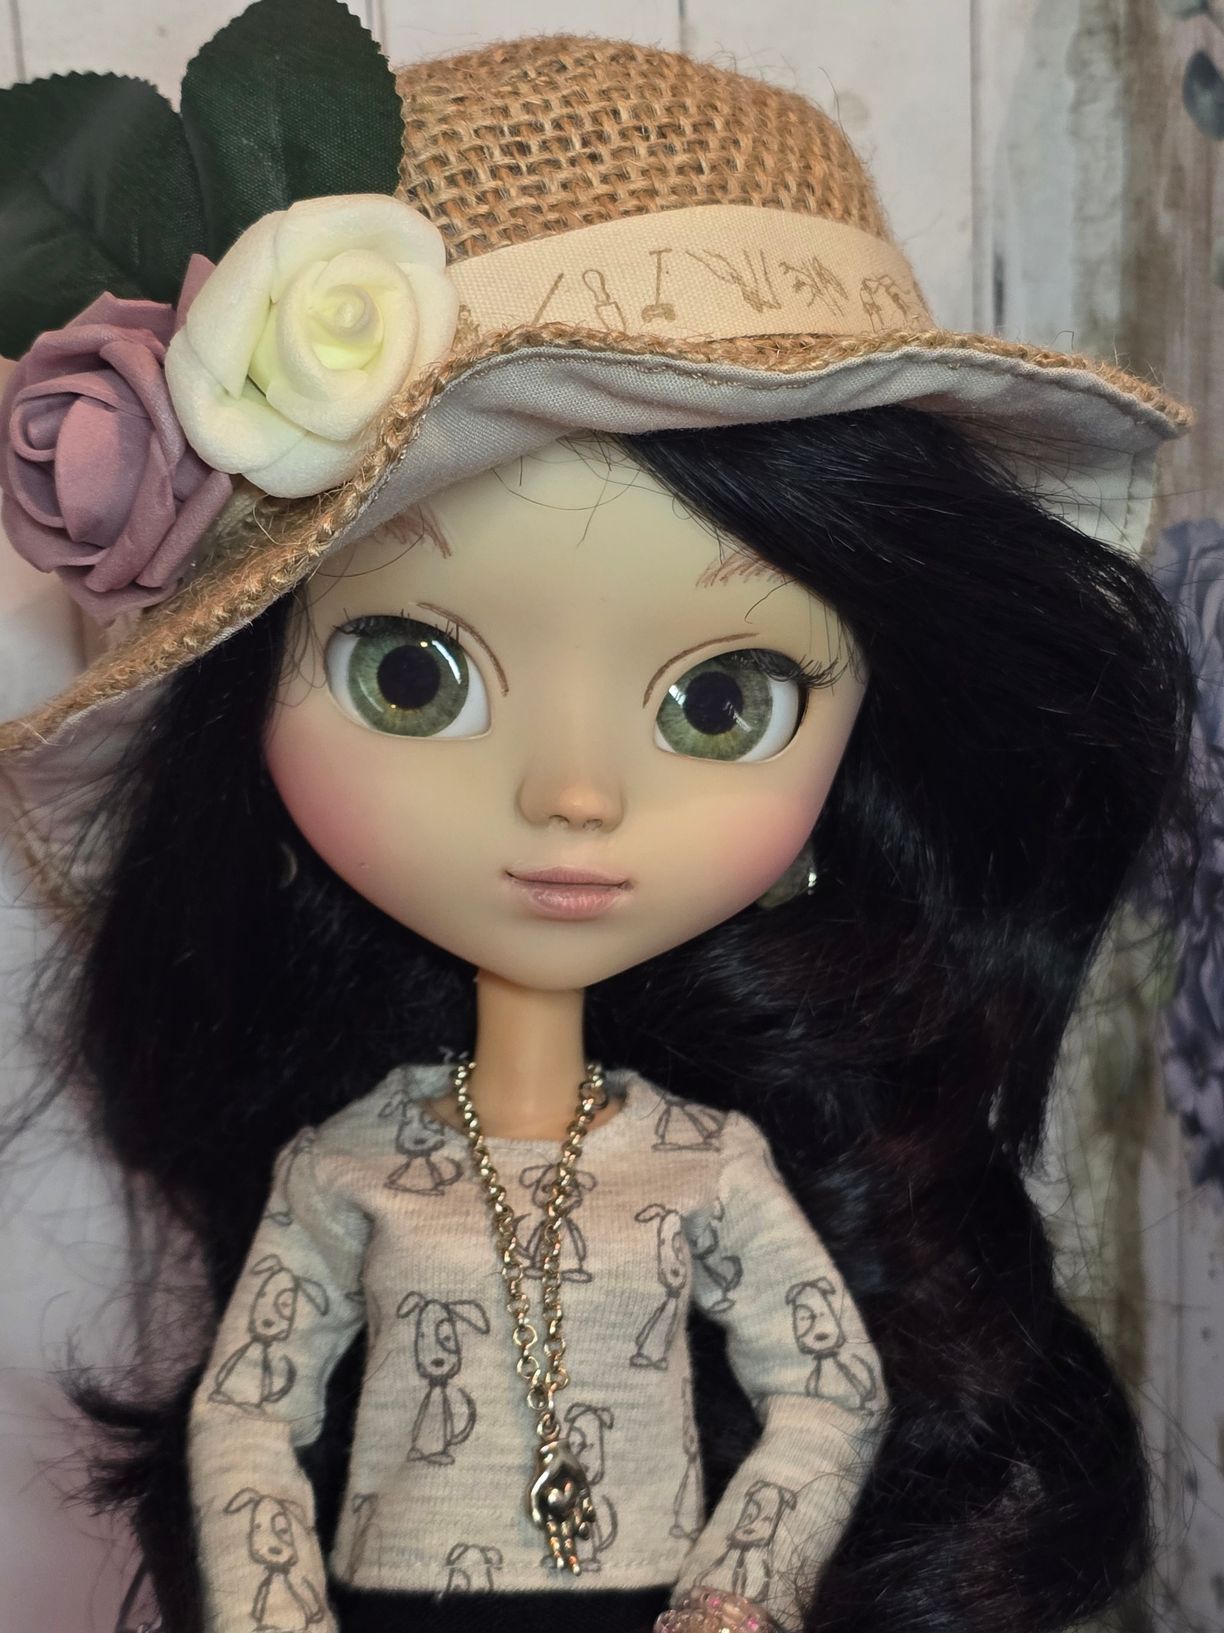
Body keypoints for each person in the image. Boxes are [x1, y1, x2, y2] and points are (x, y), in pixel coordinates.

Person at [0, 9, 1195, 1633]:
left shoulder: (709, 1166)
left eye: (722, 701)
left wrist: (743, 1588)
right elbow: (245, 1414)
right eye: (411, 674)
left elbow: (829, 1388)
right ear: (244, 737)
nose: (574, 795)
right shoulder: (344, 1170)